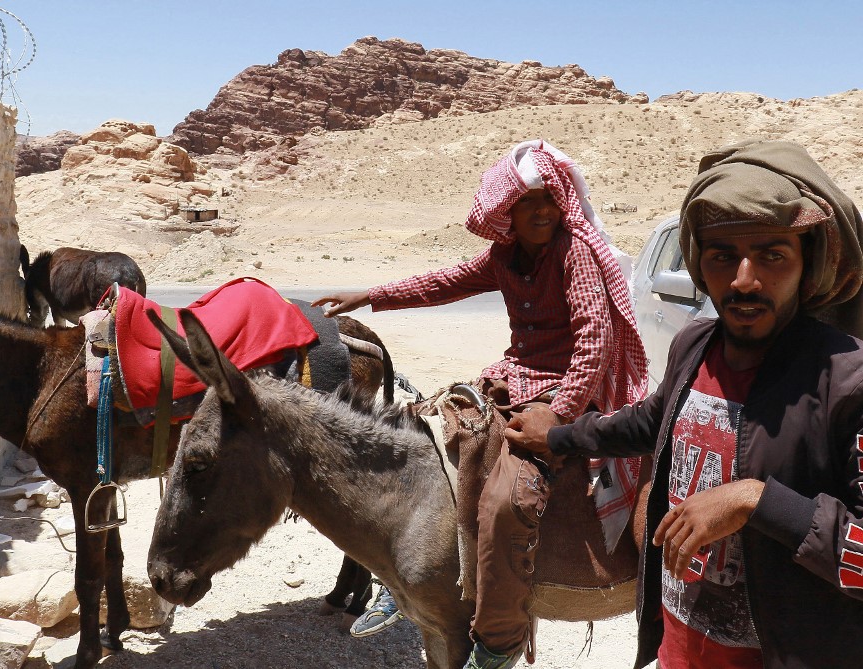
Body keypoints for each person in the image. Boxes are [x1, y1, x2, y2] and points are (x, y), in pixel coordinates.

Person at [512, 139, 863, 669]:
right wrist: (558, 436)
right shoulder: (695, 344)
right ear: (700, 263)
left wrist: (753, 500)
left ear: (807, 263)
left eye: (772, 255)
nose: (745, 280)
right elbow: (651, 422)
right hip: (681, 644)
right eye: (724, 256)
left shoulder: (848, 380)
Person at [313, 139, 648, 667]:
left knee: (510, 498)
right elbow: (442, 284)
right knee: (418, 439)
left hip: (565, 391)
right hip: (513, 378)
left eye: (549, 200)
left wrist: (557, 418)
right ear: (506, 210)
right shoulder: (504, 257)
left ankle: (498, 639)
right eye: (527, 201)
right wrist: (371, 295)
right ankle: (399, 578)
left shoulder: (573, 251)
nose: (542, 210)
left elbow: (595, 341)